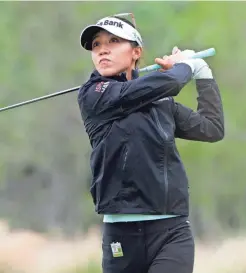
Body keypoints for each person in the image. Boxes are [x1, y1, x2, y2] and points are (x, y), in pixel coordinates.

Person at [77, 13, 224, 273]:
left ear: (136, 52)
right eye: (96, 44)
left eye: (113, 41)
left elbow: (212, 128)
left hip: (171, 232)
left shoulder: (160, 102)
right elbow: (163, 84)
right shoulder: (94, 94)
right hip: (121, 235)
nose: (103, 50)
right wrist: (185, 65)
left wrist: (202, 72)